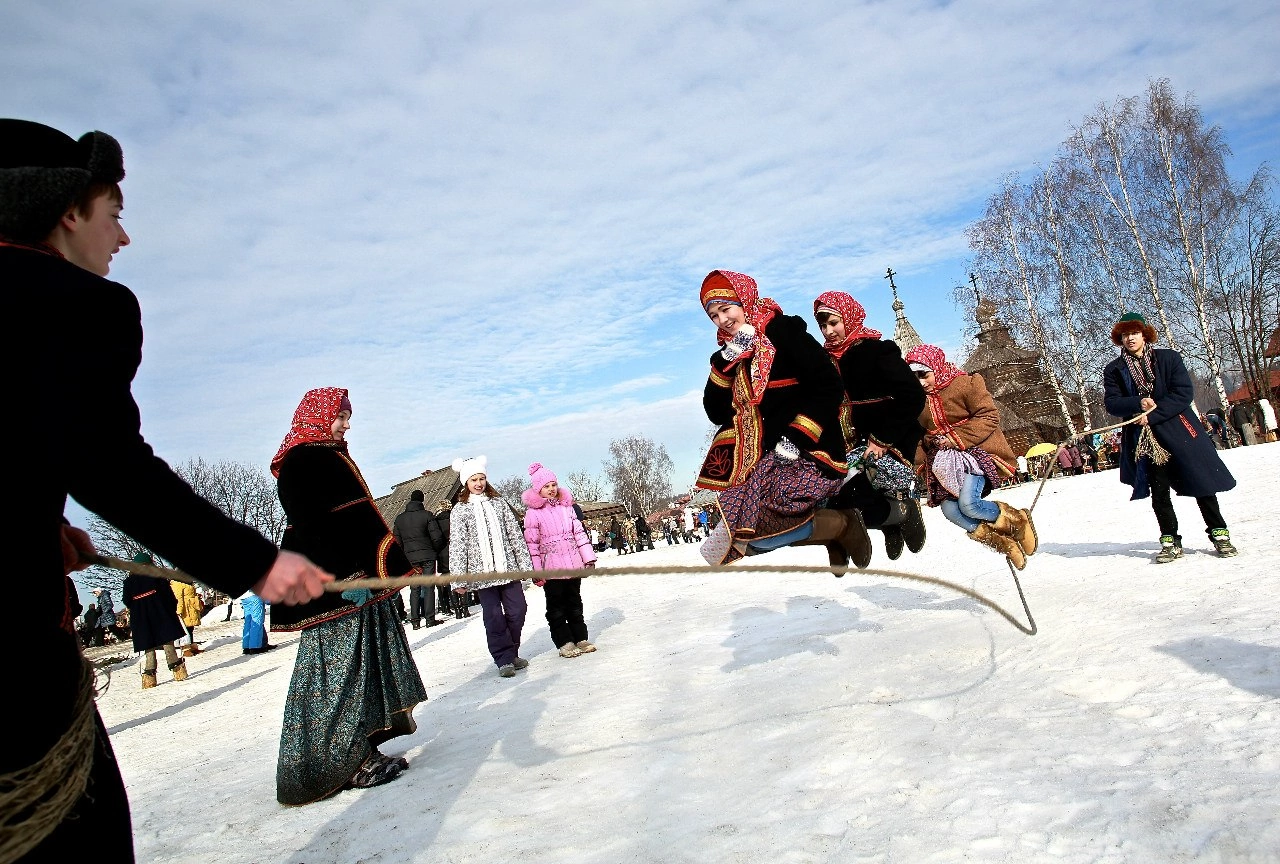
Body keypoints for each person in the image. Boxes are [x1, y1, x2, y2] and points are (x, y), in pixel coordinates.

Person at [3, 117, 333, 862]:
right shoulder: (68, 303)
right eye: (113, 214)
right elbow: (111, 468)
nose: (122, 238)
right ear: (68, 211)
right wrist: (254, 563)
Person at [269, 387, 428, 804]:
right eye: (340, 417)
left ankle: (360, 750)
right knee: (338, 676)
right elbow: (309, 529)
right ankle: (330, 763)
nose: (346, 425)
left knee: (363, 668)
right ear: (318, 416)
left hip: (360, 585)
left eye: (347, 418)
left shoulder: (326, 455)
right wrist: (344, 577)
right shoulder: (301, 461)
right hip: (336, 590)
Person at [696, 270, 863, 567]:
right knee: (727, 543)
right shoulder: (730, 353)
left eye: (725, 308)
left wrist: (797, 437)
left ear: (744, 300)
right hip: (761, 460)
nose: (722, 320)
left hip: (807, 450)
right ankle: (833, 527)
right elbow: (716, 412)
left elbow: (828, 386)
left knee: (758, 534)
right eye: (713, 316)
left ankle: (842, 525)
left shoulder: (783, 332)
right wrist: (724, 362)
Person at [1102, 313, 1238, 563]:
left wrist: (1152, 415)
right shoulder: (1114, 369)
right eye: (1125, 334)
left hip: (1180, 430)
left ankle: (1219, 533)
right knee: (1159, 490)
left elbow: (1182, 393)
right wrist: (1138, 403)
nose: (1130, 338)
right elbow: (1112, 403)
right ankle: (1170, 540)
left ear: (1145, 334)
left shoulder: (1168, 358)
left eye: (1134, 333)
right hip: (1146, 439)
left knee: (1201, 482)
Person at [812, 290, 927, 564]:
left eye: (834, 323)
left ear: (849, 318)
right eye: (823, 326)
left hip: (886, 441)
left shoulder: (878, 351)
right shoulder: (823, 361)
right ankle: (891, 520)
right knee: (836, 502)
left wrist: (882, 438)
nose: (828, 332)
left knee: (856, 501)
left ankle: (904, 512)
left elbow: (913, 396)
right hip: (848, 447)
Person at [905, 344, 1038, 569]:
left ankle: (1017, 521)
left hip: (976, 454)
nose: (921, 383)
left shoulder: (966, 384)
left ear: (936, 367)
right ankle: (1003, 543)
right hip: (945, 464)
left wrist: (956, 437)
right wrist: (925, 456)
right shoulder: (917, 401)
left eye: (924, 375)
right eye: (913, 377)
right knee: (950, 510)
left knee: (969, 504)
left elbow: (988, 416)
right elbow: (918, 434)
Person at [448, 456, 533, 678]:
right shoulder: (460, 509)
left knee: (518, 610)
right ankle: (504, 659)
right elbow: (458, 545)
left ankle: (512, 651)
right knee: (494, 617)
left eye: (481, 478)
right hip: (482, 575)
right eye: (473, 480)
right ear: (466, 483)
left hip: (508, 569)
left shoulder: (499, 503)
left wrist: (525, 565)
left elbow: (514, 535)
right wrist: (458, 578)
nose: (478, 483)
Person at [521, 462, 598, 659]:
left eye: (553, 484)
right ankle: (564, 641)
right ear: (538, 489)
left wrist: (588, 558)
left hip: (572, 563)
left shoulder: (567, 508)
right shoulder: (533, 513)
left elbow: (579, 534)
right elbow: (532, 544)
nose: (551, 489)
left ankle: (580, 638)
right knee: (556, 607)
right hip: (551, 567)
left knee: (575, 602)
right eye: (546, 486)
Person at [121, 553, 189, 688]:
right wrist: (170, 609)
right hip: (160, 612)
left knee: (148, 643)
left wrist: (138, 606)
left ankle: (149, 676)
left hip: (140, 616)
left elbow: (126, 600)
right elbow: (169, 596)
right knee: (166, 639)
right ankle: (177, 670)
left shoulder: (129, 582)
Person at [393, 489, 446, 629]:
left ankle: (415, 621)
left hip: (410, 559)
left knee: (414, 588)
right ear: (422, 500)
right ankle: (430, 619)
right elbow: (437, 538)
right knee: (428, 587)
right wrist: (435, 550)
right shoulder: (427, 515)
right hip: (428, 556)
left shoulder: (399, 519)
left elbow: (397, 543)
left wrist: (404, 557)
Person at [170, 576, 205, 656]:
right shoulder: (177, 583)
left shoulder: (187, 581)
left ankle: (192, 647)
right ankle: (186, 649)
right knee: (185, 630)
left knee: (190, 628)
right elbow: (178, 598)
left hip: (190, 607)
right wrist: (179, 611)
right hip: (185, 610)